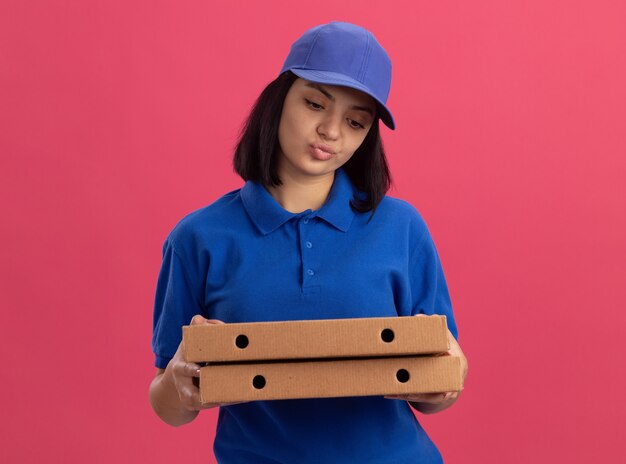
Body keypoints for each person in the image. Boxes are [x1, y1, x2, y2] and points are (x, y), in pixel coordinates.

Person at [149, 21, 468, 463]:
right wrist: (181, 384)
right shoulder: (198, 238)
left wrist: (447, 378)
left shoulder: (402, 227)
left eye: (356, 122)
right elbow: (169, 405)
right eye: (315, 103)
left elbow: (438, 389)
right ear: (279, 99)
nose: (331, 131)